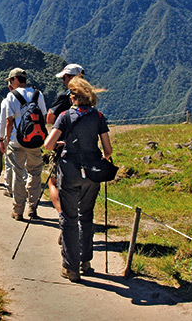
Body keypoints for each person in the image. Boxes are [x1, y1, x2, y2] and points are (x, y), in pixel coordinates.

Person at [44, 78, 112, 283]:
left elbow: (48, 145)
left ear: (73, 98)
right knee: (86, 216)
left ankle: (71, 268)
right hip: (91, 173)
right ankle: (85, 262)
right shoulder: (98, 116)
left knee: (69, 219)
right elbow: (108, 151)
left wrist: (63, 143)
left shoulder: (64, 116)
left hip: (69, 172)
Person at [0, 68, 48, 221]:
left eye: (10, 81)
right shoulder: (38, 94)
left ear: (14, 80)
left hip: (17, 141)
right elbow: (43, 117)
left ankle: (18, 210)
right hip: (35, 140)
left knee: (18, 173)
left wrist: (2, 139)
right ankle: (33, 208)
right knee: (35, 173)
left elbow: (8, 121)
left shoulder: (11, 96)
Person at [46, 63, 85, 212]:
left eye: (65, 78)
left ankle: (64, 216)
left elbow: (50, 118)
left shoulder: (65, 97)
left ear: (71, 78)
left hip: (63, 146)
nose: (63, 81)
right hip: (84, 147)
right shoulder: (89, 97)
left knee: (54, 183)